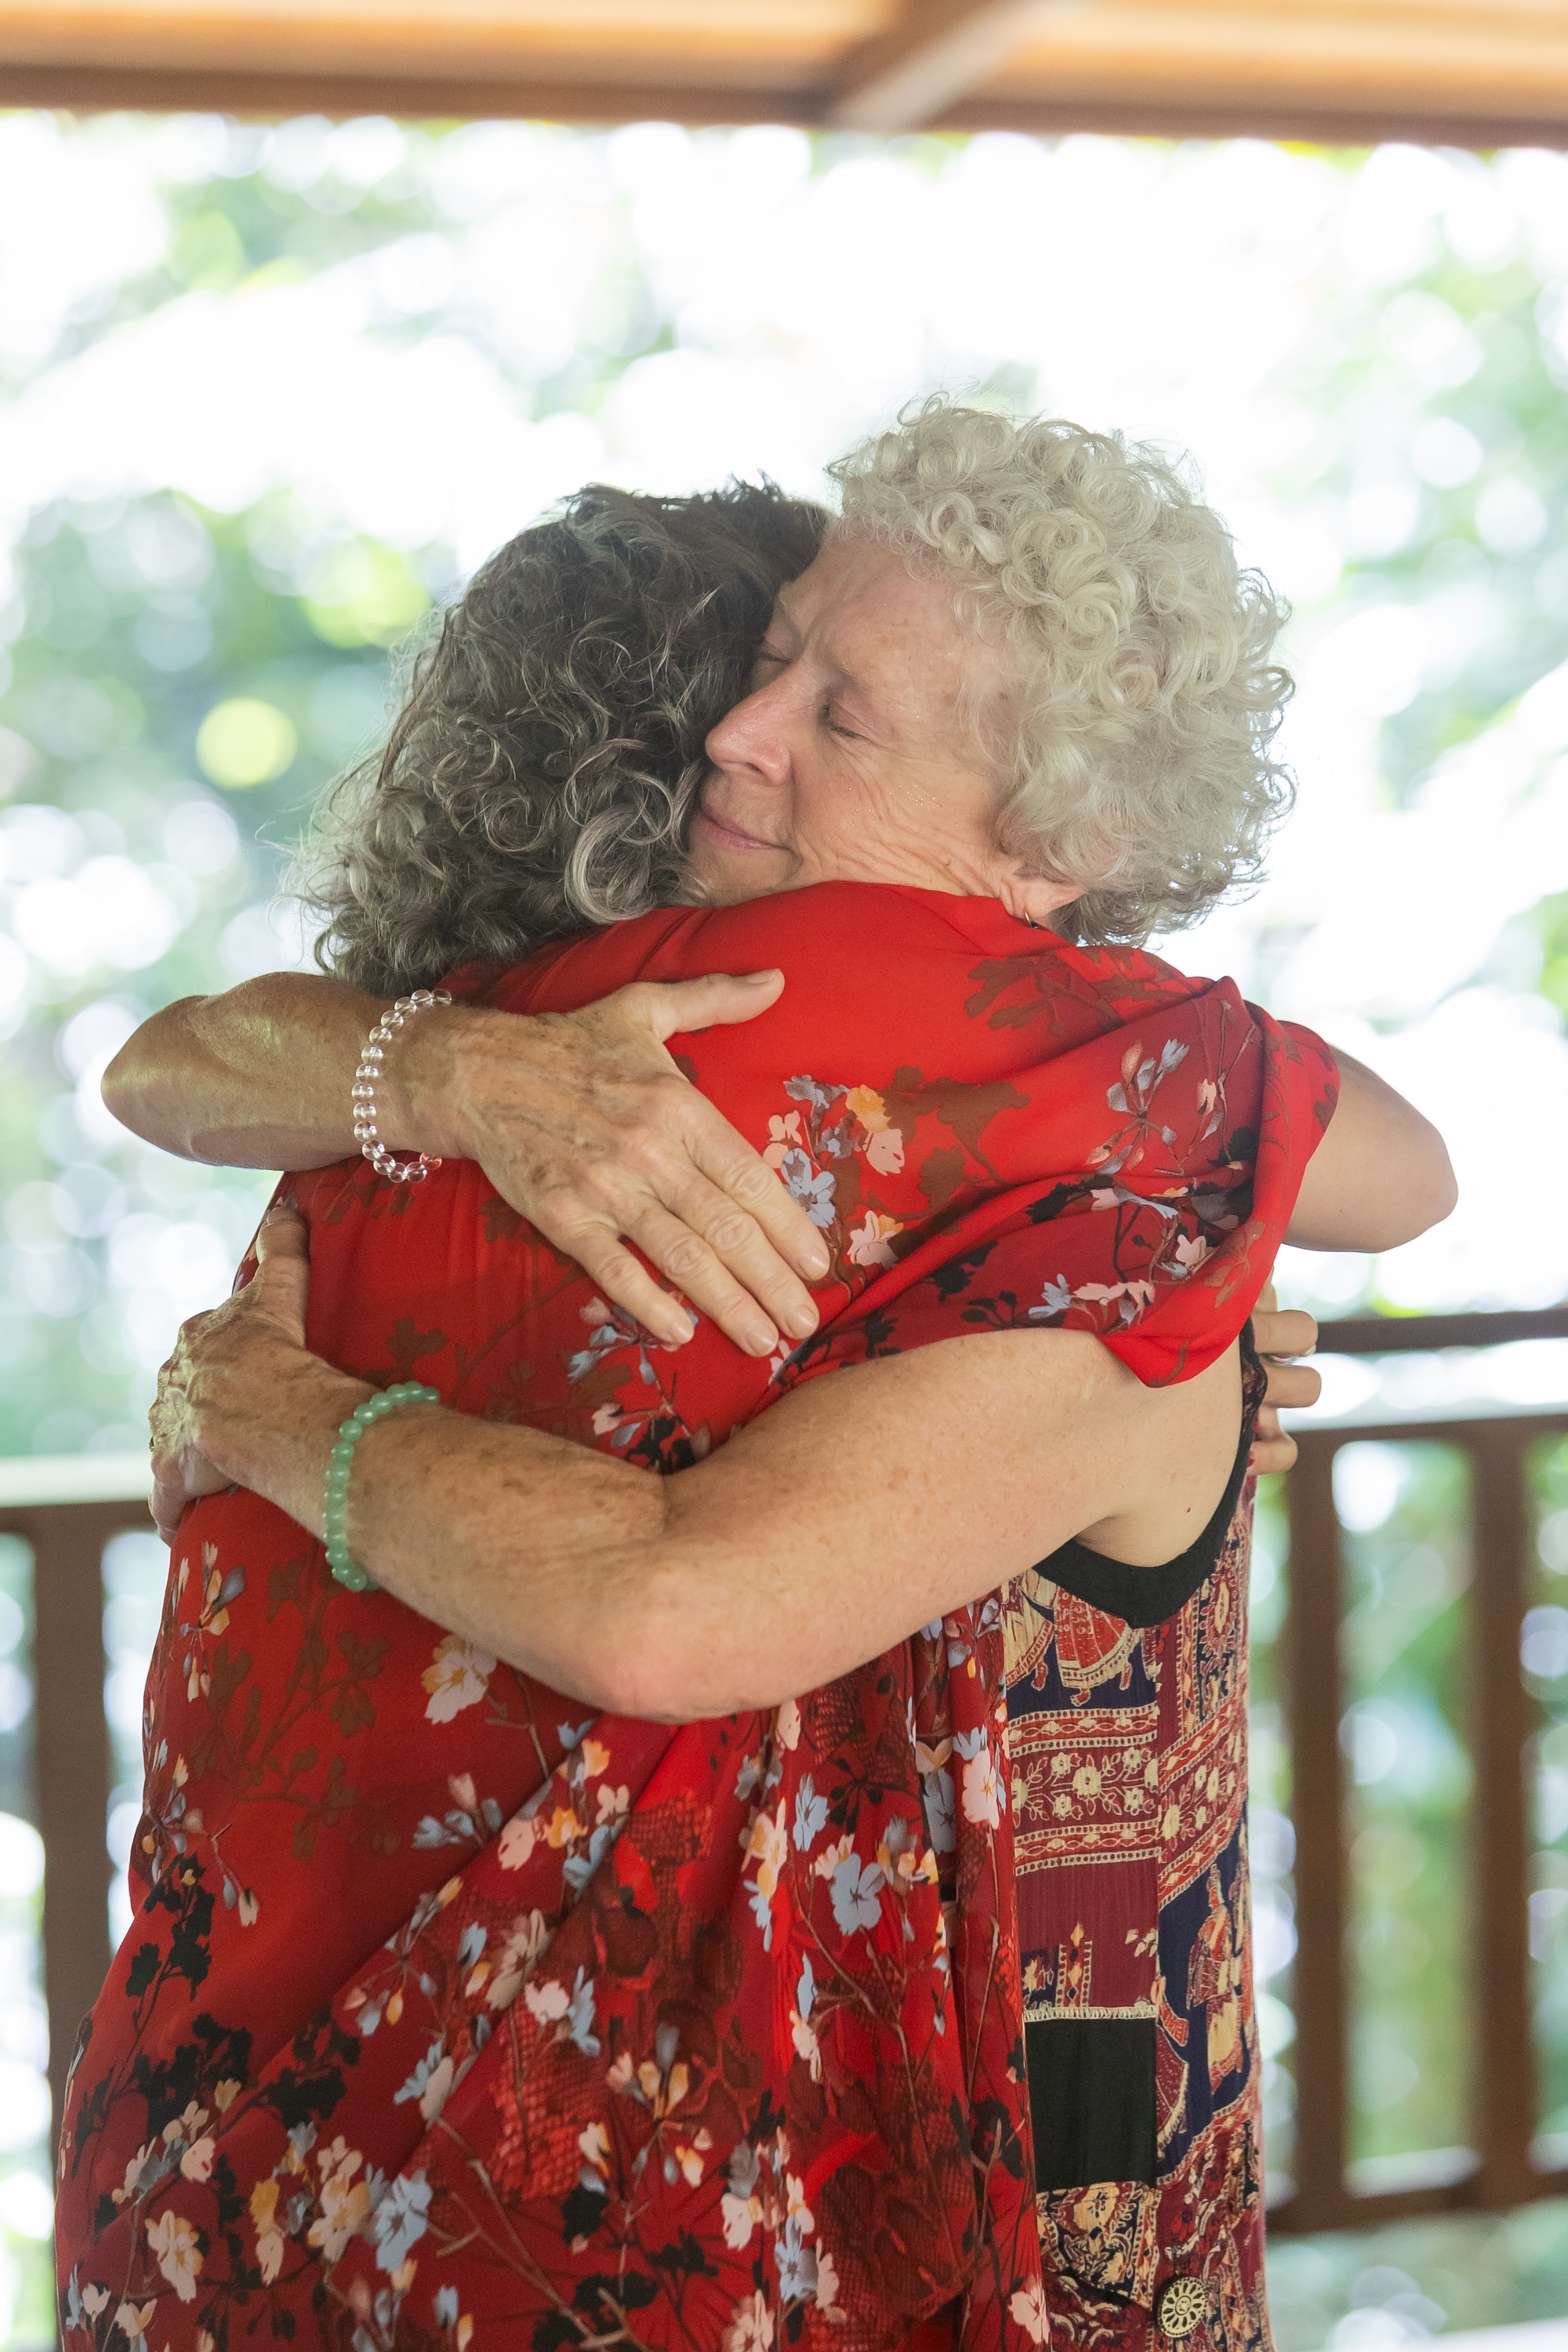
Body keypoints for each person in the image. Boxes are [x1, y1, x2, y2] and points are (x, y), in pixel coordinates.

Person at [61, 411, 1452, 2352]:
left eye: (842, 711)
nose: (748, 734)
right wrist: (1206, 1259)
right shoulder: (1121, 1121)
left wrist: (256, 1390)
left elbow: (157, 1063)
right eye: (767, 663)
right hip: (637, 2222)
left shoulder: (401, 1093)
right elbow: (1407, 1169)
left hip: (214, 2171)